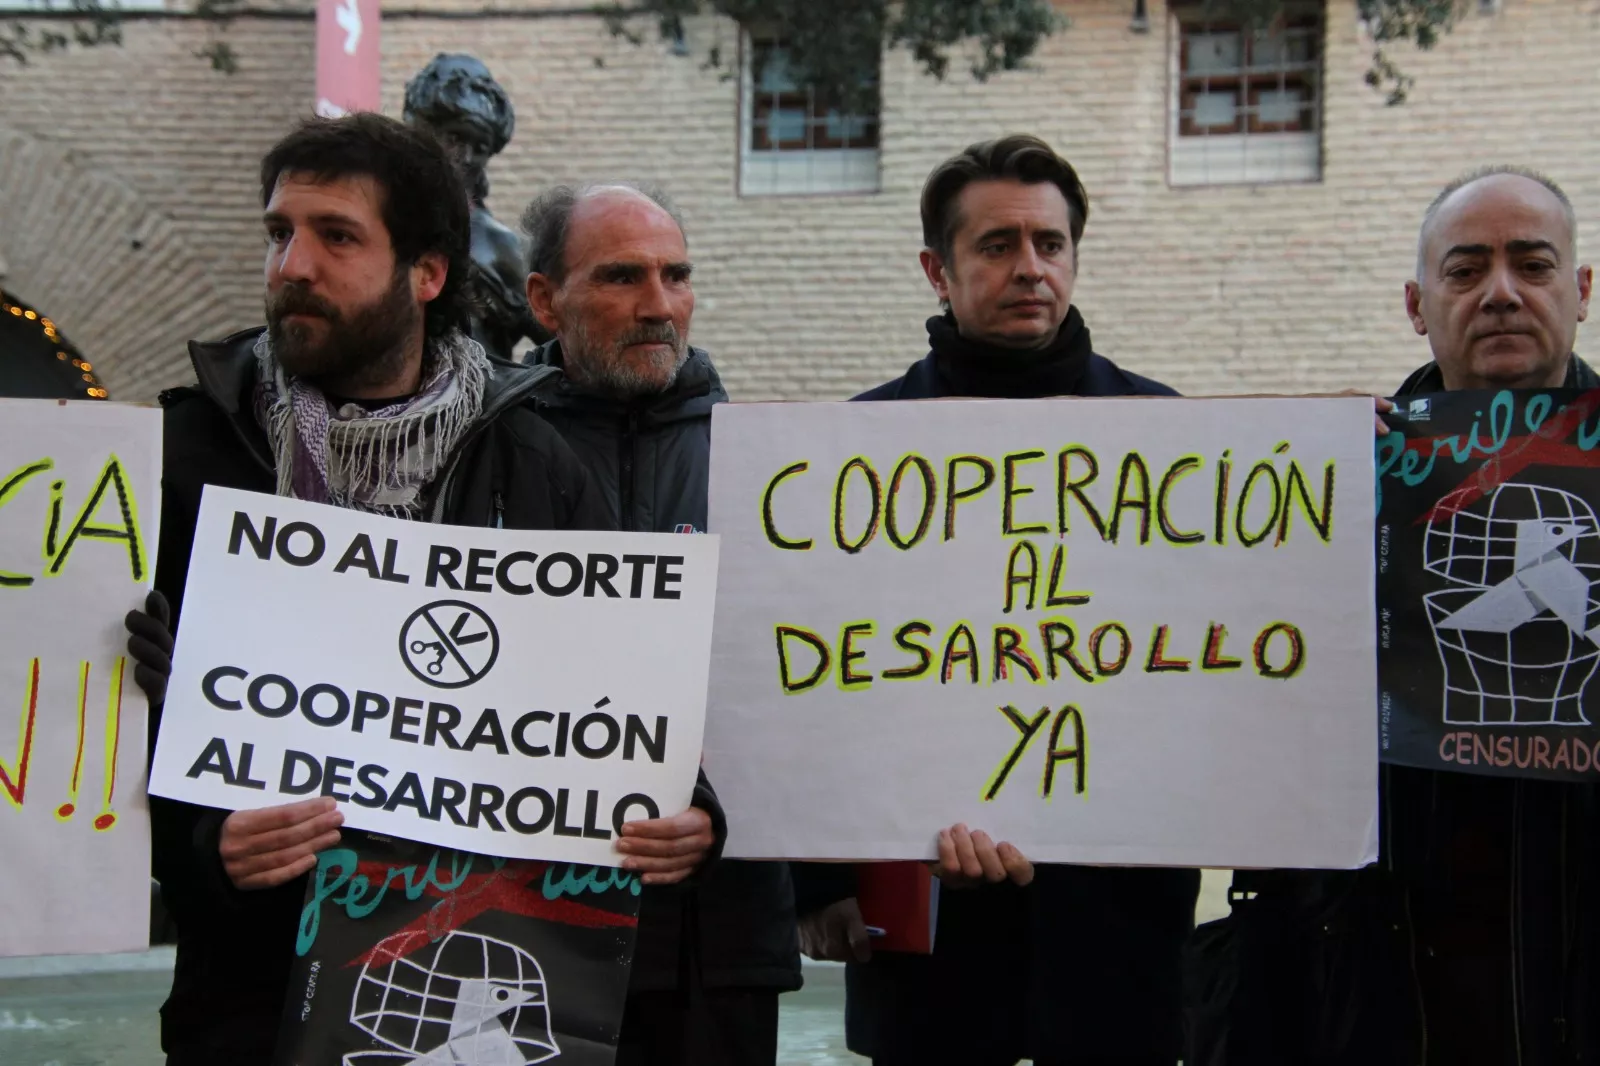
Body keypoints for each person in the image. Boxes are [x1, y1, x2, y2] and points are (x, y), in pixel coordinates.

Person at [123, 115, 721, 1065]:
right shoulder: (188, 454)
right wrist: (209, 846)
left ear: (428, 273)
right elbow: (103, 734)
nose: (293, 265)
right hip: (246, 992)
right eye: (281, 232)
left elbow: (610, 693)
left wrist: (691, 814)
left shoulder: (535, 459)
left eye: (337, 235)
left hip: (478, 990)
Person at [795, 134, 1201, 1066]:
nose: (1030, 269)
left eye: (1049, 245)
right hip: (925, 924)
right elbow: (802, 678)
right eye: (997, 246)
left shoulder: (1175, 442)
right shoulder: (848, 453)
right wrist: (816, 884)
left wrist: (1343, 455)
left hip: (1116, 937)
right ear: (938, 269)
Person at [1184, 166, 1600, 1065]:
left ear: (1582, 290)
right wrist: (1288, 491)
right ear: (1418, 303)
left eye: (1533, 264)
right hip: (1378, 981)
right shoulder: (1330, 473)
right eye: (1465, 270)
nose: (1500, 294)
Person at [518, 181, 801, 1066]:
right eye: (621, 277)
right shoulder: (480, 456)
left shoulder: (776, 472)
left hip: (717, 944)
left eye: (676, 275)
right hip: (527, 934)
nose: (658, 305)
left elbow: (809, 689)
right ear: (542, 300)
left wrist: (724, 816)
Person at [403, 53, 548, 361]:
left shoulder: (502, 247)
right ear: (419, 129)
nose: (466, 157)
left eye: (480, 147)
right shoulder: (379, 226)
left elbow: (564, 346)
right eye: (454, 137)